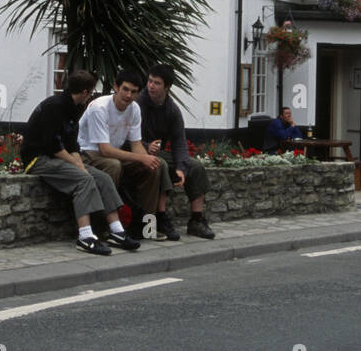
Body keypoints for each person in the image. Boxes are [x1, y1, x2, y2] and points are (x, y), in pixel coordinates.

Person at [21, 70, 139, 255]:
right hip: (39, 160)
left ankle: (117, 231)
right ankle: (85, 237)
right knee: (84, 180)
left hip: (58, 156)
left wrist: (81, 165)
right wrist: (77, 166)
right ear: (84, 92)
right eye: (91, 92)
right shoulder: (54, 106)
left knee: (102, 178)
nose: (91, 96)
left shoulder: (74, 108)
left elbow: (72, 143)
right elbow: (52, 145)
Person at [78, 70, 170, 239]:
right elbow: (104, 150)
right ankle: (104, 227)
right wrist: (141, 157)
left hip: (113, 154)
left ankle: (146, 226)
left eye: (134, 92)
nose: (128, 95)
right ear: (115, 87)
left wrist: (147, 160)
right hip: (88, 153)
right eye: (125, 89)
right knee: (113, 165)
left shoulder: (134, 109)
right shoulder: (99, 108)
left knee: (156, 165)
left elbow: (136, 145)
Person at [137, 63, 215, 239]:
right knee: (161, 164)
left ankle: (196, 220)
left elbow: (179, 142)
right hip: (136, 152)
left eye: (156, 83)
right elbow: (126, 136)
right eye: (149, 81)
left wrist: (181, 167)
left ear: (167, 87)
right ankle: (160, 218)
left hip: (158, 153)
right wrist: (146, 145)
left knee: (195, 166)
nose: (151, 86)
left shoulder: (172, 109)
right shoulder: (138, 104)